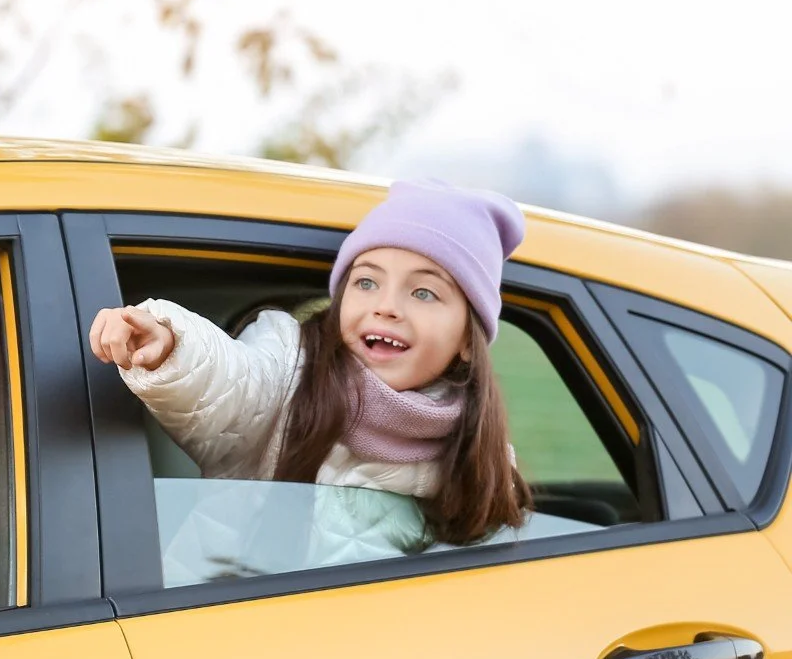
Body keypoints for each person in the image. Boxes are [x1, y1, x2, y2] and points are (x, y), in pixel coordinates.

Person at [88, 177, 531, 547]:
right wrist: (170, 341)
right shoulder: (290, 368)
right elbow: (231, 380)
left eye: (423, 293)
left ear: (468, 342)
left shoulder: (478, 458)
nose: (386, 306)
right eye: (366, 282)